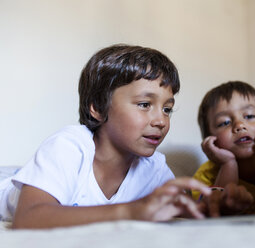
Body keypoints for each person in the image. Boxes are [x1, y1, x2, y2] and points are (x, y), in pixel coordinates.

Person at [0, 44, 211, 229]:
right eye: (144, 105)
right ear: (98, 108)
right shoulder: (69, 146)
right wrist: (130, 212)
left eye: (167, 109)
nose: (161, 121)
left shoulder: (154, 166)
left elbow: (182, 211)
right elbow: (27, 219)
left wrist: (215, 206)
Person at [193, 81, 255, 215]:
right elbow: (213, 213)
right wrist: (228, 164)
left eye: (249, 116)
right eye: (224, 122)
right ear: (211, 140)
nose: (239, 125)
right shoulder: (206, 175)